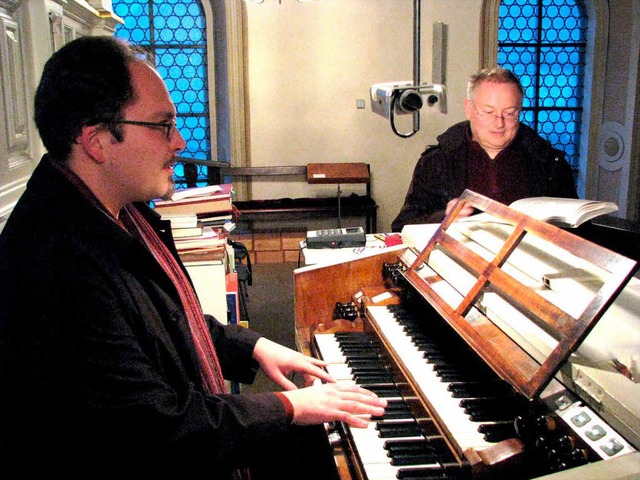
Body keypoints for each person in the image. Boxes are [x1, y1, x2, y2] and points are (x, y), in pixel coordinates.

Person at [0, 36, 386, 477]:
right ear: (98, 140)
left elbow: (166, 322)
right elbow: (155, 429)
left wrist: (256, 347)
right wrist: (289, 406)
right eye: (164, 125)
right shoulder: (55, 265)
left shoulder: (118, 212)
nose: (180, 142)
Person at [391, 67, 578, 232]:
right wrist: (442, 218)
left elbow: (575, 228)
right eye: (488, 112)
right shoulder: (437, 161)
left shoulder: (550, 164)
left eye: (509, 113)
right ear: (469, 109)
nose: (499, 123)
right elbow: (403, 226)